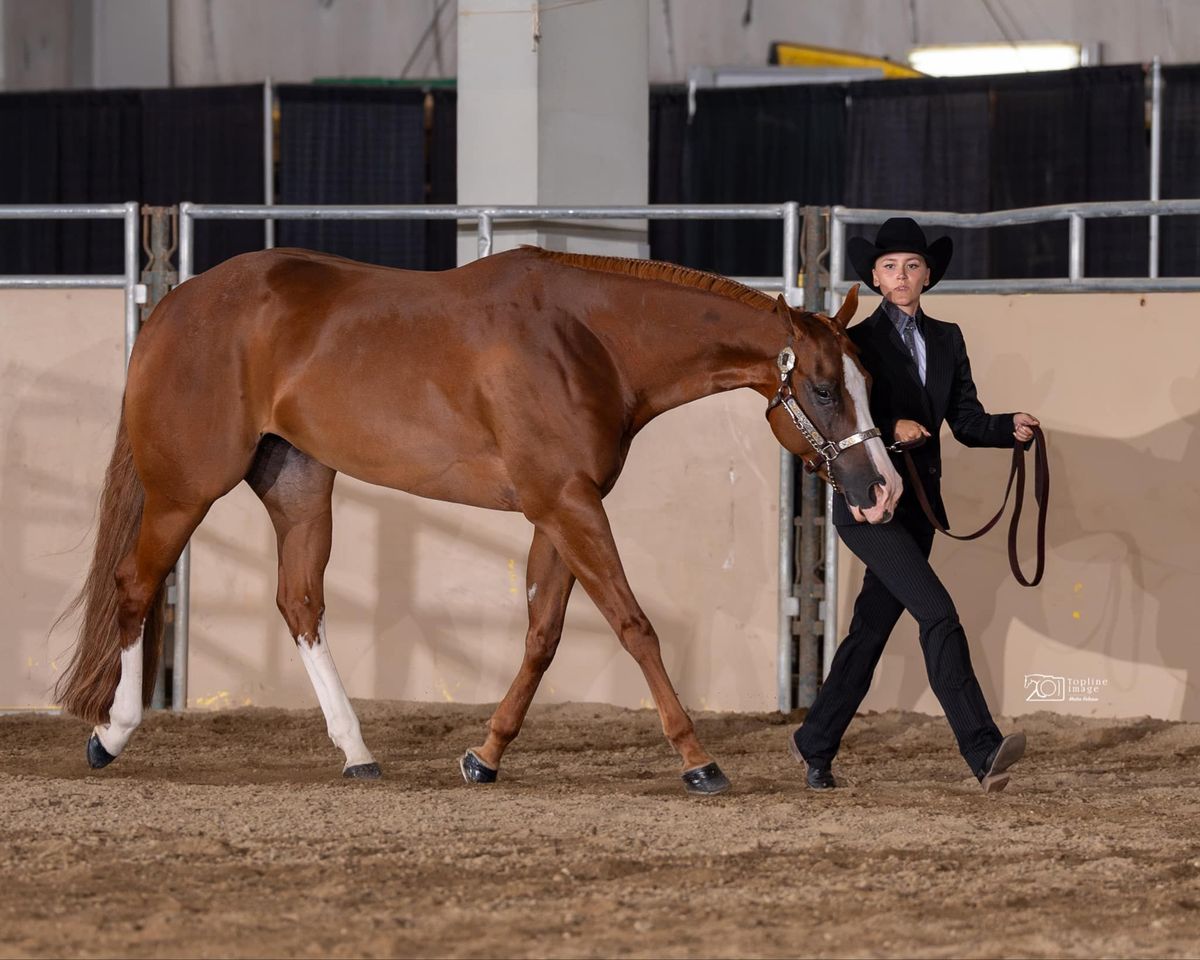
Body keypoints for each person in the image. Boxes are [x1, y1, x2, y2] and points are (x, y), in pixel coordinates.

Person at [790, 217, 1039, 794]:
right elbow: (841, 415)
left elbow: (968, 423)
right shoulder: (856, 341)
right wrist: (892, 428)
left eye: (911, 266)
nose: (900, 276)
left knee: (869, 633)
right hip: (868, 506)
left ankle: (815, 741)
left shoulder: (948, 338)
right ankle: (982, 750)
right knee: (938, 613)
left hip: (921, 511)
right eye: (888, 267)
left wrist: (1010, 427)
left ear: (927, 275)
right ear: (874, 277)